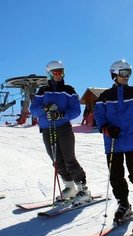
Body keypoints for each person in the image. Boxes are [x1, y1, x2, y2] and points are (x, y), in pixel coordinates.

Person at [94, 59, 133, 230]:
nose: (126, 77)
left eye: (128, 73)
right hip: (113, 142)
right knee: (116, 176)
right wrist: (106, 129)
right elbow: (99, 117)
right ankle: (124, 205)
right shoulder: (104, 97)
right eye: (123, 73)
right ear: (114, 75)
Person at [30, 60, 91, 206]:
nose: (59, 75)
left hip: (63, 128)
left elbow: (76, 110)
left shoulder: (69, 90)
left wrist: (60, 115)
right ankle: (70, 187)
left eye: (61, 72)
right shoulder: (42, 91)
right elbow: (33, 110)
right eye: (55, 72)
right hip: (47, 128)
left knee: (69, 159)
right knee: (56, 161)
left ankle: (83, 189)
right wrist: (45, 109)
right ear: (49, 74)